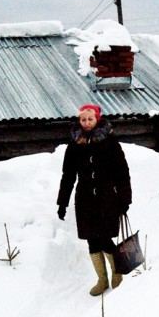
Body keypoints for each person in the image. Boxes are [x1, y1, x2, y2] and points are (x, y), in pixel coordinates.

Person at [57, 103, 132, 296]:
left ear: (97, 119)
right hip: (85, 199)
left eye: (90, 119)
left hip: (107, 197)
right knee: (91, 240)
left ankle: (117, 273)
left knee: (105, 238)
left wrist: (124, 199)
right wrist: (62, 203)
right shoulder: (75, 144)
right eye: (83, 119)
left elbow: (122, 172)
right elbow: (68, 175)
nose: (86, 123)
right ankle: (102, 280)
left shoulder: (109, 142)